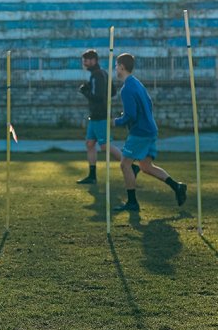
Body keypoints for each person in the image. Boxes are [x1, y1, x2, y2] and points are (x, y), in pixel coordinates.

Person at [112, 53, 187, 212]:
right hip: (150, 129)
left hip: (140, 132)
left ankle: (132, 202)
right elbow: (149, 103)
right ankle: (178, 187)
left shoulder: (127, 88)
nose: (115, 69)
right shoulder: (137, 83)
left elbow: (130, 115)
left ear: (122, 67)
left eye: (116, 66)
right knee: (146, 166)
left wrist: (116, 122)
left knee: (125, 165)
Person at [75, 49, 137, 184]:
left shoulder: (97, 75)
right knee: (90, 144)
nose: (84, 63)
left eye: (86, 60)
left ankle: (132, 166)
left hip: (100, 116)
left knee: (105, 146)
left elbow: (98, 97)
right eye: (83, 61)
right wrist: (91, 89)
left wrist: (85, 91)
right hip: (95, 115)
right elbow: (113, 92)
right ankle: (92, 176)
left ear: (93, 61)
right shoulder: (102, 73)